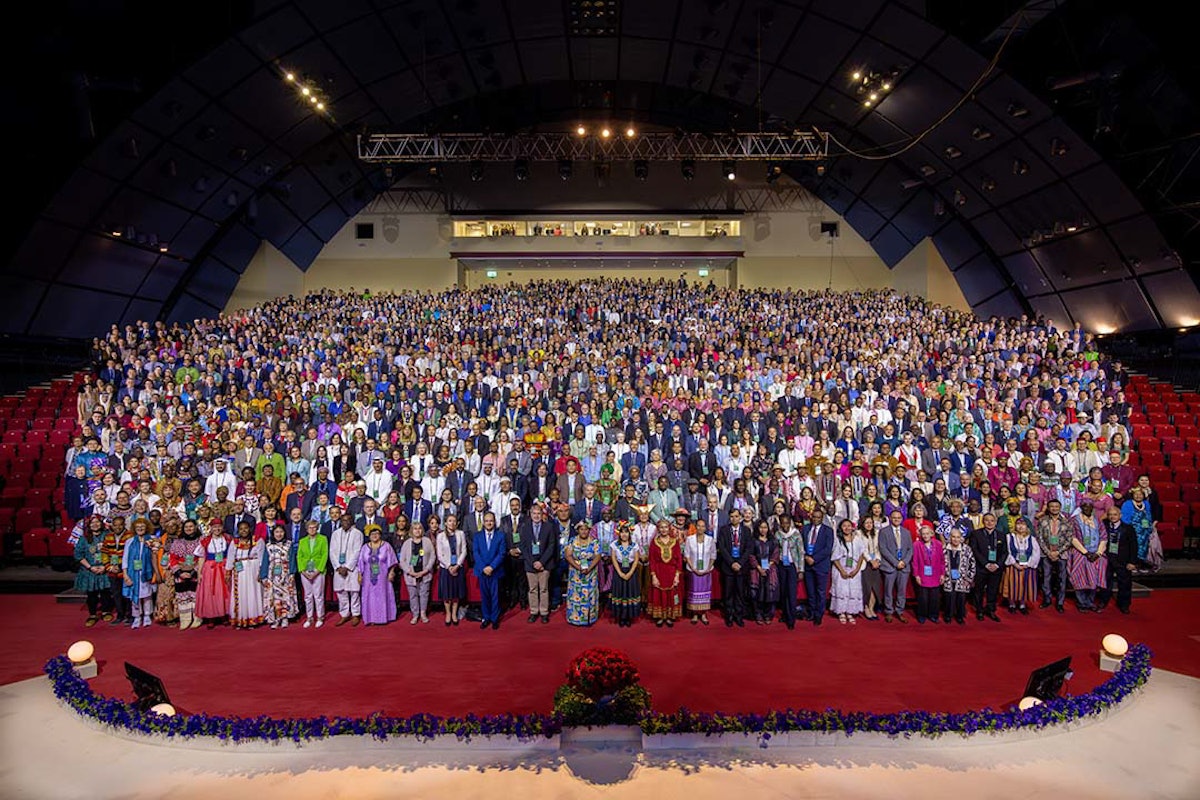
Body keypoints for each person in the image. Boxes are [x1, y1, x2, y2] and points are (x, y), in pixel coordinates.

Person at [519, 504, 557, 624]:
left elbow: (552, 546)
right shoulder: (524, 528)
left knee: (544, 588)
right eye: (534, 513)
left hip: (545, 564)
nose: (536, 516)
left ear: (542, 515)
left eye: (538, 513)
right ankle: (534, 611)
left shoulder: (549, 527)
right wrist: (532, 562)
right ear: (530, 514)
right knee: (533, 589)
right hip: (530, 564)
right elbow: (523, 547)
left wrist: (541, 562)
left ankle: (544, 612)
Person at [73, 516, 112, 627]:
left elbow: (114, 552)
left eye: (97, 522)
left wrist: (106, 566)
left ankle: (106, 611)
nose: (95, 524)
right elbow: (78, 555)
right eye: (92, 523)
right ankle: (93, 615)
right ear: (88, 526)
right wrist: (90, 567)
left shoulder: (108, 535)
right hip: (90, 570)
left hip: (105, 568)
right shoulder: (83, 538)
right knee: (92, 594)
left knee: (105, 593)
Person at [225, 520, 265, 628]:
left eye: (246, 528)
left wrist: (262, 572)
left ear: (250, 529)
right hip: (239, 572)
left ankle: (254, 618)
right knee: (241, 594)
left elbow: (262, 558)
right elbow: (230, 558)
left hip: (253, 570)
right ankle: (241, 619)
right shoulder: (235, 542)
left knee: (253, 593)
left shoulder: (258, 540)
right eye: (241, 529)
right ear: (238, 530)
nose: (244, 531)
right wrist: (228, 572)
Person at [1068, 500, 1106, 612]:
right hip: (1081, 552)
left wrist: (1098, 553)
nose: (1087, 509)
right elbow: (1073, 537)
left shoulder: (1097, 521)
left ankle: (1090, 602)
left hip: (1096, 553)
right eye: (1084, 507)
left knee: (1093, 578)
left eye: (1089, 507)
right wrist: (1086, 552)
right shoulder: (1075, 520)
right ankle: (1081, 602)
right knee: (1080, 577)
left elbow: (1104, 537)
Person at [356, 524, 398, 625]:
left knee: (382, 596)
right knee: (369, 597)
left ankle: (383, 618)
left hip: (383, 577)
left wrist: (391, 572)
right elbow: (360, 562)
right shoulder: (365, 547)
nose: (375, 535)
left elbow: (392, 560)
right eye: (372, 534)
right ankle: (370, 618)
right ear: (369, 536)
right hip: (368, 577)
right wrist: (359, 575)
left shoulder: (386, 546)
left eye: (377, 533)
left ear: (380, 535)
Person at [1099, 505, 1137, 614]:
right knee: (1105, 582)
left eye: (1115, 514)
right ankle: (1103, 602)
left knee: (1124, 583)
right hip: (1107, 559)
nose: (1112, 517)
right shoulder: (1104, 526)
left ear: (1120, 515)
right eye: (1110, 514)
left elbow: (1134, 546)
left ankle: (1124, 605)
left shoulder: (1128, 528)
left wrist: (1132, 562)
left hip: (1123, 560)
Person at [969, 512, 1007, 621]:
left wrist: (997, 565)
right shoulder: (976, 534)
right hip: (981, 567)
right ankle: (979, 610)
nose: (989, 523)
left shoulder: (1001, 535)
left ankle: (991, 610)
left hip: (996, 568)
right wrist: (985, 564)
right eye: (987, 520)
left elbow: (1005, 552)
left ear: (995, 522)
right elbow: (974, 550)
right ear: (983, 521)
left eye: (992, 521)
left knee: (993, 590)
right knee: (979, 590)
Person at [260, 523, 298, 628]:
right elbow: (264, 561)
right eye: (277, 532)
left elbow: (292, 560)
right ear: (273, 533)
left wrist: (292, 573)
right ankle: (275, 618)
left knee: (285, 597)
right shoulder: (268, 546)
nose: (279, 534)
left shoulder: (289, 544)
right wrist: (263, 575)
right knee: (274, 597)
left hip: (285, 574)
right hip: (272, 575)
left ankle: (285, 617)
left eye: (281, 532)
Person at [716, 507, 751, 627]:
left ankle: (739, 616)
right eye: (732, 516)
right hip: (728, 566)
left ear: (740, 518)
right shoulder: (724, 530)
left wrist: (740, 563)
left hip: (742, 567)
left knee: (740, 593)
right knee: (728, 593)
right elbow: (722, 548)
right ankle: (729, 616)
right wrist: (732, 563)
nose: (734, 519)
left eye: (736, 516)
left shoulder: (746, 531)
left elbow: (748, 549)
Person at [194, 519, 231, 628]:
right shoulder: (205, 541)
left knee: (225, 591)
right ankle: (211, 616)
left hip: (224, 568)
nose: (217, 529)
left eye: (219, 526)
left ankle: (225, 614)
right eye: (214, 527)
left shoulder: (228, 539)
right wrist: (199, 573)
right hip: (210, 569)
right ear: (211, 528)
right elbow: (201, 557)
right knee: (211, 592)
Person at [877, 508, 911, 624]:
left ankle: (900, 611)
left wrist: (904, 562)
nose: (896, 519)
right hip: (889, 566)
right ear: (890, 519)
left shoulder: (906, 532)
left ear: (902, 519)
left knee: (901, 591)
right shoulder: (884, 531)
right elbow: (883, 549)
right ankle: (889, 611)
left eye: (899, 518)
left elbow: (910, 549)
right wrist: (896, 562)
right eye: (894, 518)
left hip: (904, 566)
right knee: (888, 590)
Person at [1036, 498, 1070, 613]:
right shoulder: (1043, 520)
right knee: (1046, 578)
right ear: (1048, 508)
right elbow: (1039, 538)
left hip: (1061, 554)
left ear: (1060, 508)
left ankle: (1060, 603)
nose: (1054, 508)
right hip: (1046, 554)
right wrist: (1048, 552)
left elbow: (1069, 539)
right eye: (1052, 506)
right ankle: (1047, 600)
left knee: (1062, 579)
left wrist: (1058, 552)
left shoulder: (1066, 521)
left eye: (1056, 506)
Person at [473, 511, 506, 629]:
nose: (489, 523)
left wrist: (492, 567)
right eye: (486, 521)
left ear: (494, 522)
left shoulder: (500, 535)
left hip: (495, 571)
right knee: (485, 596)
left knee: (495, 596)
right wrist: (483, 568)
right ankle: (486, 618)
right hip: (482, 571)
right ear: (483, 522)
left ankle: (494, 619)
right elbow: (476, 553)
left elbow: (502, 554)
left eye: (491, 521)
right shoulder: (477, 536)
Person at [564, 521, 601, 626]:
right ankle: (575, 619)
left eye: (586, 529)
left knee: (590, 595)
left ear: (589, 530)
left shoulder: (594, 542)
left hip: (591, 572)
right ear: (578, 530)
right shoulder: (572, 541)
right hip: (576, 572)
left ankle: (589, 618)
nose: (584, 531)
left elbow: (598, 556)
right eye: (581, 529)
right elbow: (568, 555)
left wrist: (589, 568)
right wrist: (578, 567)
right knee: (576, 594)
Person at [647, 520, 683, 626]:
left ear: (669, 528)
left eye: (666, 527)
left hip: (671, 572)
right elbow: (652, 560)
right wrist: (653, 576)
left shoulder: (675, 542)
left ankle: (669, 616)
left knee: (671, 594)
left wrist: (677, 575)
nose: (664, 529)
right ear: (658, 529)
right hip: (659, 572)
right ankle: (660, 617)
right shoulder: (654, 542)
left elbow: (679, 560)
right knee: (659, 593)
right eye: (661, 527)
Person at [802, 507, 835, 625]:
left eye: (819, 517)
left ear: (822, 518)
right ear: (811, 517)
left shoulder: (828, 530)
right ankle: (811, 612)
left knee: (820, 592)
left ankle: (818, 615)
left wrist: (814, 559)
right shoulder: (805, 529)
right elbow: (800, 545)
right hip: (807, 564)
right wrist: (806, 557)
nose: (816, 519)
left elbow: (828, 549)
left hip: (821, 565)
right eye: (814, 517)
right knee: (810, 592)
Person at [398, 521, 435, 624]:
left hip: (425, 573)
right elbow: (402, 560)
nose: (417, 530)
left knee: (424, 594)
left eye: (419, 528)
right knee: (413, 595)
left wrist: (426, 570)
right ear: (411, 531)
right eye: (415, 528)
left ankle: (423, 613)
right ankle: (415, 614)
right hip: (411, 575)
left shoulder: (427, 541)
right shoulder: (407, 543)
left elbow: (432, 556)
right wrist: (409, 572)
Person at [329, 513, 363, 625]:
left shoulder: (357, 533)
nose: (346, 522)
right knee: (341, 591)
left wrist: (347, 567)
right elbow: (332, 551)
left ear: (352, 521)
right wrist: (338, 566)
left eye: (348, 520)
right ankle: (344, 614)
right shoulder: (335, 533)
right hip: (338, 568)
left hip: (351, 568)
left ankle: (355, 614)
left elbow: (357, 551)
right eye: (343, 520)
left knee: (354, 592)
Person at [1002, 517, 1041, 614]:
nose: (1020, 526)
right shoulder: (1009, 537)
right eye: (1018, 524)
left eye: (1023, 524)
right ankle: (1012, 604)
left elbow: (1036, 553)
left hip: (1027, 566)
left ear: (1027, 526)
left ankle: (1022, 604)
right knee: (1013, 584)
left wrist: (1028, 564)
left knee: (1024, 584)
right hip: (1013, 566)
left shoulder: (1031, 539)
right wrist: (1014, 564)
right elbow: (1007, 552)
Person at [830, 517, 866, 624]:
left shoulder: (858, 540)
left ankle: (850, 612)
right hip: (840, 569)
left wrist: (856, 570)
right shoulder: (838, 540)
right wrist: (842, 571)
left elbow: (861, 556)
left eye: (849, 526)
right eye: (844, 526)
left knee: (853, 590)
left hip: (854, 569)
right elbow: (835, 558)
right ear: (841, 528)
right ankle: (841, 612)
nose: (847, 528)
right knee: (842, 590)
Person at [683, 514, 717, 625]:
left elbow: (713, 555)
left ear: (705, 528)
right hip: (693, 571)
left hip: (706, 571)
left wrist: (708, 568)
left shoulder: (710, 539)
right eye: (698, 526)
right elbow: (687, 555)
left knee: (704, 592)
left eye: (703, 526)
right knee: (694, 591)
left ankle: (703, 614)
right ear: (695, 527)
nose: (700, 528)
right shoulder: (689, 539)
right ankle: (694, 614)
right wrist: (693, 568)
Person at [170, 519, 203, 630]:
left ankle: (197, 617)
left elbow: (202, 557)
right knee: (183, 596)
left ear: (195, 527)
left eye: (191, 526)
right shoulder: (177, 542)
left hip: (195, 572)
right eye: (186, 527)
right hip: (181, 573)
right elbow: (173, 559)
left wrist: (194, 572)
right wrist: (180, 573)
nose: (188, 529)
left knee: (195, 596)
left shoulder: (201, 541)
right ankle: (185, 619)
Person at [436, 514, 468, 625]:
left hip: (458, 567)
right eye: (450, 521)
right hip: (446, 568)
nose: (452, 523)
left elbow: (464, 551)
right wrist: (449, 566)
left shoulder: (461, 534)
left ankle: (454, 613)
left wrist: (457, 565)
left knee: (456, 592)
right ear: (445, 523)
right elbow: (439, 554)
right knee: (447, 592)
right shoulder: (440, 536)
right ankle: (448, 613)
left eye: (454, 521)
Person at [296, 520, 329, 628]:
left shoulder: (323, 539)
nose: (312, 529)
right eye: (310, 527)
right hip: (305, 570)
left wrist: (318, 570)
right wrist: (303, 571)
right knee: (308, 595)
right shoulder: (302, 541)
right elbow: (299, 556)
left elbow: (325, 555)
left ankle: (320, 616)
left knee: (318, 595)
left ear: (317, 528)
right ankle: (309, 617)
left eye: (314, 527)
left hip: (318, 570)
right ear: (306, 529)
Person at [774, 512, 804, 628]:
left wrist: (801, 570)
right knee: (783, 592)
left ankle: (791, 619)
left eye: (787, 523)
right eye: (783, 523)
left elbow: (801, 552)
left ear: (790, 522)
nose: (785, 525)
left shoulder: (796, 534)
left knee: (791, 593)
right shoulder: (777, 534)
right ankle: (785, 614)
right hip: (782, 565)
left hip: (792, 566)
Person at [910, 524, 945, 624]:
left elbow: (942, 560)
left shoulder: (938, 544)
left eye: (927, 533)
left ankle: (933, 615)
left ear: (931, 534)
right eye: (923, 534)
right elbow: (915, 561)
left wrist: (942, 574)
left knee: (935, 597)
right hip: (922, 574)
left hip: (935, 574)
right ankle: (922, 615)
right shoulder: (916, 545)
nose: (925, 536)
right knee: (923, 597)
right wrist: (916, 575)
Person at [610, 521, 642, 627]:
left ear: (630, 533)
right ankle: (621, 617)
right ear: (619, 533)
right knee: (620, 592)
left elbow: (636, 559)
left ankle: (629, 616)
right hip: (619, 571)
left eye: (626, 532)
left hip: (631, 571)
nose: (624, 535)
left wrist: (630, 573)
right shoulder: (614, 544)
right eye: (622, 532)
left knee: (630, 593)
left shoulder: (634, 545)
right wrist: (620, 573)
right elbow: (614, 559)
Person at [748, 519, 780, 624]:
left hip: (770, 570)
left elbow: (776, 554)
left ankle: (768, 615)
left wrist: (768, 566)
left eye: (765, 527)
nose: (763, 530)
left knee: (770, 592)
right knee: (756, 593)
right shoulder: (753, 541)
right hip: (756, 570)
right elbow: (751, 555)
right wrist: (758, 568)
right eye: (761, 527)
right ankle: (758, 615)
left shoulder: (773, 541)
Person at [941, 528, 975, 624]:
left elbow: (972, 564)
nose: (955, 539)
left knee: (961, 598)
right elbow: (939, 563)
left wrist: (969, 578)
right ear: (950, 537)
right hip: (947, 578)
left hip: (962, 579)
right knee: (948, 598)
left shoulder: (967, 549)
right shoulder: (944, 548)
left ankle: (960, 616)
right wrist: (941, 576)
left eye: (958, 537)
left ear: (961, 538)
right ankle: (948, 615)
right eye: (953, 537)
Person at [858, 516, 882, 621]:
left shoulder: (876, 533)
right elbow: (862, 550)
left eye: (871, 523)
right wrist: (870, 560)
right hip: (865, 563)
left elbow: (878, 548)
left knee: (875, 587)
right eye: (866, 523)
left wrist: (876, 560)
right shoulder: (858, 534)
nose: (869, 525)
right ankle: (866, 607)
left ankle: (872, 608)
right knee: (867, 587)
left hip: (876, 563)